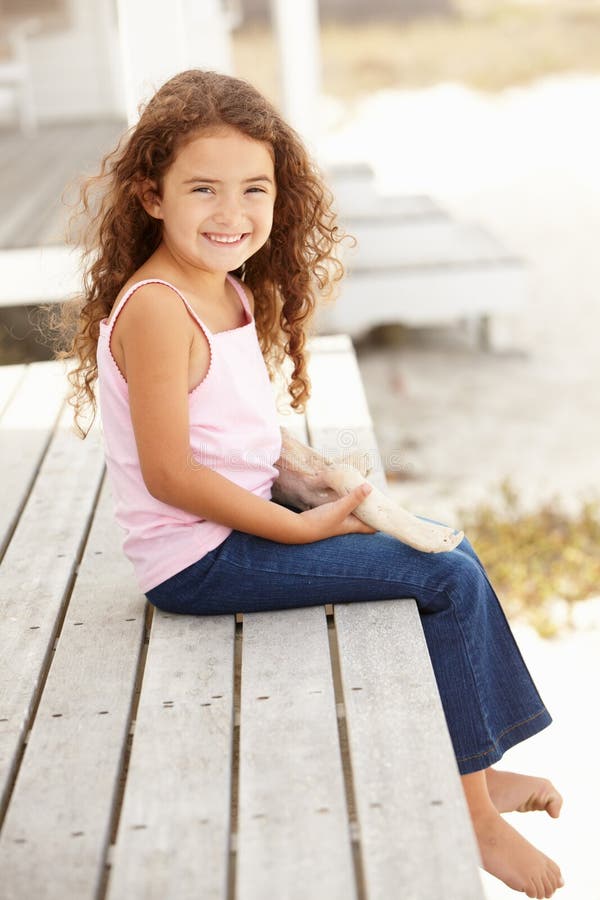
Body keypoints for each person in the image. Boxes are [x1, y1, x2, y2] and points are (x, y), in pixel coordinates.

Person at [57, 69, 563, 899]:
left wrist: (308, 477)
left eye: (254, 188)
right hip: (200, 560)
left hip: (246, 522)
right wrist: (295, 527)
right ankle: (471, 813)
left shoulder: (224, 287)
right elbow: (169, 471)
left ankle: (476, 761)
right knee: (441, 577)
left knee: (450, 549)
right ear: (151, 194)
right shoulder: (156, 307)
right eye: (203, 190)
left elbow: (234, 429)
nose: (232, 213)